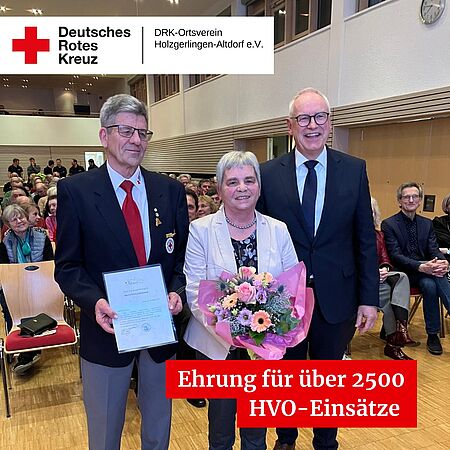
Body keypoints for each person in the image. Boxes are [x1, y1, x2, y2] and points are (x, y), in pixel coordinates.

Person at [54, 93, 189, 450]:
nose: (136, 140)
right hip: (106, 330)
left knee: (158, 431)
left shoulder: (170, 191)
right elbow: (67, 267)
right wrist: (94, 301)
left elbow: (181, 261)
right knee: (104, 434)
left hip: (159, 330)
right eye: (126, 131)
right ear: (104, 136)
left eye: (143, 133)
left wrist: (177, 291)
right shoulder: (76, 192)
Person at [257, 88, 379, 450]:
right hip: (284, 301)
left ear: (330, 122)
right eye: (304, 119)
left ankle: (326, 442)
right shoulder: (268, 174)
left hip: (337, 298)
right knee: (288, 377)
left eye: (320, 117)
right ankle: (286, 439)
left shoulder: (354, 170)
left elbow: (365, 239)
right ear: (289, 126)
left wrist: (369, 299)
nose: (313, 126)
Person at [184, 150, 299, 450]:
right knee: (221, 430)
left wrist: (265, 332)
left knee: (256, 431)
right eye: (232, 182)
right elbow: (194, 290)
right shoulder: (200, 230)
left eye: (249, 180)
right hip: (215, 344)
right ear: (220, 189)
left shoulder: (278, 229)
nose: (242, 188)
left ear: (259, 186)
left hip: (264, 346)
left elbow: (292, 287)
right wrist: (230, 331)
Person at [381, 182, 450, 356]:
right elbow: (395, 255)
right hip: (401, 274)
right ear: (399, 201)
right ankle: (433, 334)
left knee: (430, 284)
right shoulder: (389, 224)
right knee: (433, 279)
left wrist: (443, 263)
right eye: (406, 197)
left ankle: (432, 335)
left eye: (415, 197)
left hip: (425, 272)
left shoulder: (427, 224)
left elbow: (433, 249)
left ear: (420, 200)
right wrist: (421, 266)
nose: (411, 200)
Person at [0, 204, 53, 374]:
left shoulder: (42, 237)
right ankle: (22, 346)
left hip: (41, 283)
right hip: (16, 285)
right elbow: (5, 270)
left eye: (21, 217)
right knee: (8, 303)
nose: (19, 221)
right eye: (13, 219)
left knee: (31, 303)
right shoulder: (5, 243)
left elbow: (50, 264)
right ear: (8, 224)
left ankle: (28, 351)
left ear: (26, 218)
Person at [371, 197, 418, 360]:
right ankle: (396, 340)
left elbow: (385, 258)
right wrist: (372, 273)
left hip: (378, 281)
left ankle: (398, 334)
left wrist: (384, 268)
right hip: (357, 283)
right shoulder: (347, 236)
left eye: (371, 212)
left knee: (401, 278)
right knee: (391, 297)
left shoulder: (379, 235)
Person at [432, 193, 450, 263]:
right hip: (443, 261)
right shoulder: (438, 222)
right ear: (447, 207)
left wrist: (447, 250)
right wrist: (448, 251)